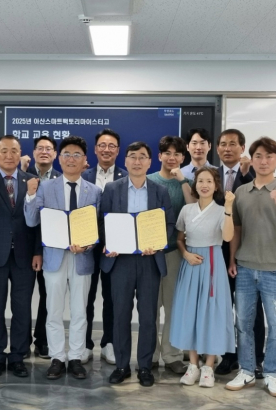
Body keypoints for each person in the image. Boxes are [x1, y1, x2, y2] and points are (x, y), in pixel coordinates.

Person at [225, 137, 276, 398]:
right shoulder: (241, 192)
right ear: (251, 160)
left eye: (269, 156)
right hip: (245, 268)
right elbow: (236, 229)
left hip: (274, 271)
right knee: (243, 324)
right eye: (258, 156)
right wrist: (232, 259)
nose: (263, 161)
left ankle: (271, 374)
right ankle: (246, 370)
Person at [24, 136, 102, 380]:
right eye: (67, 154)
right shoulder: (46, 187)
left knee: (80, 311)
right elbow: (31, 221)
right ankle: (57, 357)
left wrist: (88, 245)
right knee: (53, 310)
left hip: (82, 258)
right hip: (54, 257)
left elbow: (98, 228)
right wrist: (30, 196)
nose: (71, 159)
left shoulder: (94, 191)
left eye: (77, 155)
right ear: (59, 158)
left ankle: (76, 357)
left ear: (85, 160)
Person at [101, 141, 175, 387]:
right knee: (120, 314)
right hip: (120, 260)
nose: (137, 161)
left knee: (148, 317)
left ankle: (145, 366)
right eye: (132, 156)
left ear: (150, 162)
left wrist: (158, 243)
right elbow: (103, 221)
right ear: (125, 161)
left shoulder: (159, 191)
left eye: (142, 157)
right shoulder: (112, 189)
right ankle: (122, 365)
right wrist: (108, 243)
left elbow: (168, 223)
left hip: (149, 260)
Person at [0, 135, 42, 379]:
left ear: (20, 153)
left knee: (22, 308)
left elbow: (38, 220)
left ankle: (18, 356)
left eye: (14, 150)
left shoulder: (31, 180)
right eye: (4, 151)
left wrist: (37, 251)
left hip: (24, 254)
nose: (9, 155)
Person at [170, 167, 235, 388]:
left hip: (212, 263)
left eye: (209, 181)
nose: (204, 185)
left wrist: (228, 208)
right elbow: (180, 239)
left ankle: (209, 367)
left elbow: (228, 237)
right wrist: (186, 254)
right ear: (195, 185)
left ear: (216, 186)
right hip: (191, 264)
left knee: (211, 312)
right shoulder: (187, 210)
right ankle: (193, 365)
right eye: (200, 181)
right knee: (190, 311)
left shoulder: (221, 210)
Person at [214, 129, 266, 378]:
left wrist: (247, 173)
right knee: (223, 307)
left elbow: (260, 201)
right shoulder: (210, 176)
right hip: (217, 252)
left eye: (233, 144)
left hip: (248, 252)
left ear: (242, 148)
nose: (227, 148)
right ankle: (229, 355)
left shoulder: (254, 173)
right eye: (223, 144)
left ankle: (255, 358)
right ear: (217, 148)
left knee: (250, 310)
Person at [147, 136, 194, 374]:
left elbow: (194, 209)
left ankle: (172, 354)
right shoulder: (148, 180)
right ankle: (150, 353)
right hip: (149, 253)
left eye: (177, 154)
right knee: (150, 307)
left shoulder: (189, 182)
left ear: (183, 158)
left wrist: (182, 181)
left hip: (176, 251)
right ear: (159, 156)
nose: (172, 157)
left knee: (174, 307)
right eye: (167, 153)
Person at [81, 128, 127, 365]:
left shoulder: (127, 177)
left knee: (112, 298)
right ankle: (85, 344)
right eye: (102, 145)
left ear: (117, 150)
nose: (106, 149)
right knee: (85, 298)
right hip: (87, 247)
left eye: (111, 146)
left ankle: (109, 343)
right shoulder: (83, 175)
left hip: (114, 249)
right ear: (95, 149)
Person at [24, 135, 61, 360]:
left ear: (55, 154)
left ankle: (42, 341)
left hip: (49, 248)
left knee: (48, 297)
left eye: (49, 148)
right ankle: (22, 342)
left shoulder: (60, 179)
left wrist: (39, 250)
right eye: (40, 148)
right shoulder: (23, 176)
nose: (44, 152)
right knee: (23, 296)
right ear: (34, 152)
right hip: (22, 246)